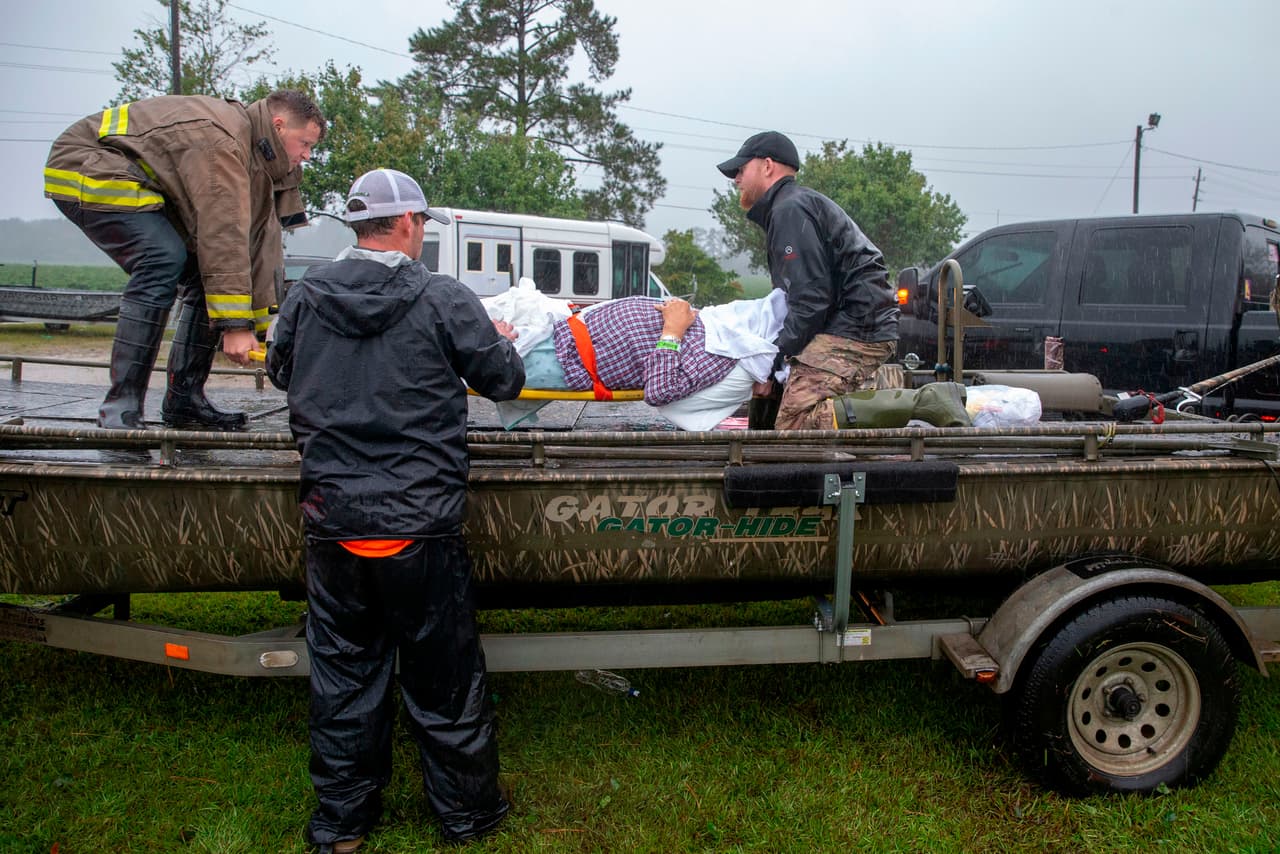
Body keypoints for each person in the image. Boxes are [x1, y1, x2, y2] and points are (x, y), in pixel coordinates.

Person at [267, 168, 523, 852]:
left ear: (359, 225)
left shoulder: (306, 295)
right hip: (420, 526)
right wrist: (493, 336)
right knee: (443, 679)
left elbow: (280, 371)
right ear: (409, 223)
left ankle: (342, 826)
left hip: (335, 521)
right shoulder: (443, 296)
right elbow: (504, 379)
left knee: (344, 675)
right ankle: (466, 817)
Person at [44, 89, 325, 430]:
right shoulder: (222, 142)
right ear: (278, 127)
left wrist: (265, 327)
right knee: (162, 259)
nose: (308, 156)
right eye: (305, 144)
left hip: (143, 181)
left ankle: (184, 401)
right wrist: (234, 326)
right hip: (87, 165)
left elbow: (262, 245)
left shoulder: (259, 162)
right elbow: (223, 234)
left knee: (198, 273)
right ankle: (122, 406)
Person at [717, 130, 900, 430]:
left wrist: (773, 359)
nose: (736, 179)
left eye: (740, 169)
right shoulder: (789, 207)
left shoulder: (789, 209)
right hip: (850, 322)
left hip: (856, 327)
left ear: (767, 166)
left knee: (795, 423)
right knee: (777, 392)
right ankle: (760, 462)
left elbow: (811, 299)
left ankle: (917, 404)